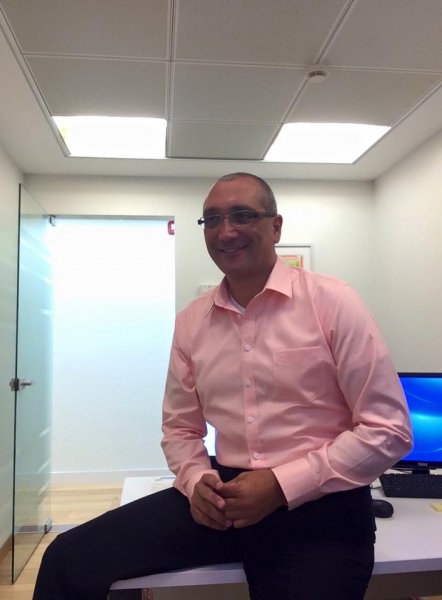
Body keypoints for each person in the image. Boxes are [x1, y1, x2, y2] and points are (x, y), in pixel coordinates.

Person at [33, 172, 412, 600]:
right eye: (212, 220)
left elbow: (388, 429)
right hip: (224, 500)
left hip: (323, 511)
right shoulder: (192, 321)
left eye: (242, 215)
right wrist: (197, 480)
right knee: (68, 559)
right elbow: (180, 428)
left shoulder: (334, 302)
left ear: (276, 226)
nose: (225, 231)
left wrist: (280, 484)